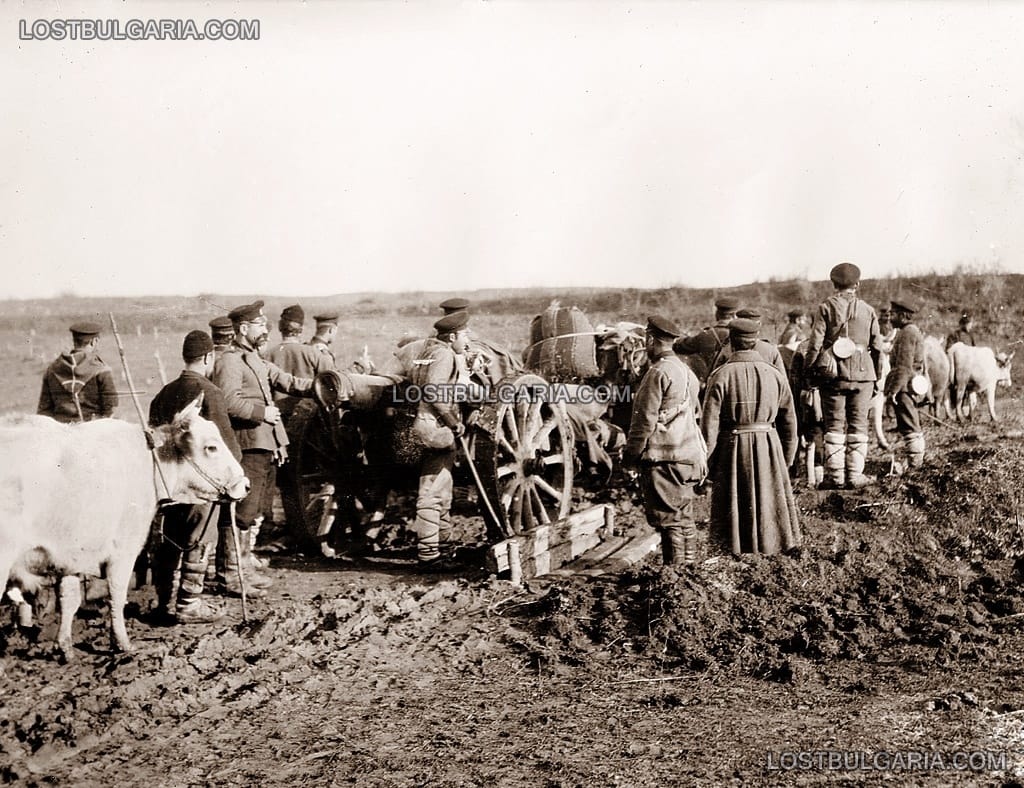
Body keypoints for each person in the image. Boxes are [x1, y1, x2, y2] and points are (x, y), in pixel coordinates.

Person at [211, 301, 315, 596]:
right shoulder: (230, 361)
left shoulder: (253, 359)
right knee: (240, 511)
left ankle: (242, 569)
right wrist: (262, 413)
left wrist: (323, 384)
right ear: (243, 329)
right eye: (259, 325)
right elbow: (228, 401)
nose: (266, 329)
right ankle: (231, 576)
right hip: (248, 446)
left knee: (252, 509)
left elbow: (288, 381)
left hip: (264, 444)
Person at [148, 330, 242, 624]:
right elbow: (226, 444)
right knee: (199, 537)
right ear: (207, 357)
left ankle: (163, 602)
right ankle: (189, 603)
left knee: (169, 540)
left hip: (169, 484)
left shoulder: (163, 392)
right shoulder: (210, 392)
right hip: (202, 484)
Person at [701, 319, 801, 556]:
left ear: (731, 343)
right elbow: (790, 422)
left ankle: (736, 549)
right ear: (755, 341)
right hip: (769, 445)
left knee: (734, 502)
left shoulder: (721, 375)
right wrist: (786, 459)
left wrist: (708, 464)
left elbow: (709, 426)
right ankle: (772, 546)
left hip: (732, 448)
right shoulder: (775, 375)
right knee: (769, 499)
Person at [624, 316, 705, 566]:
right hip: (688, 457)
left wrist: (630, 457)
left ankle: (674, 576)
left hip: (664, 459)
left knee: (669, 521)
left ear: (650, 340)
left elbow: (644, 422)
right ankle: (689, 571)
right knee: (683, 517)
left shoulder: (657, 372)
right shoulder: (687, 372)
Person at [803, 263, 884, 489]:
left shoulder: (826, 308)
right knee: (859, 424)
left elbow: (815, 343)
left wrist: (810, 372)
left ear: (834, 284)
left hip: (834, 375)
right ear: (857, 285)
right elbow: (877, 347)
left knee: (834, 425)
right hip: (864, 375)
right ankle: (855, 476)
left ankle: (835, 477)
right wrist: (876, 377)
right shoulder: (868, 310)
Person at [408, 310, 473, 568]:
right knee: (432, 493)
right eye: (465, 334)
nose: (466, 339)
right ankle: (429, 556)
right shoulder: (445, 354)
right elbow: (434, 390)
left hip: (424, 426)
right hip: (435, 429)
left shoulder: (427, 351)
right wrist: (453, 420)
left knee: (441, 489)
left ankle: (443, 547)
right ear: (453, 336)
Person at [38, 322, 119, 423]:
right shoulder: (101, 370)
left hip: (60, 430)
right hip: (92, 430)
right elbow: (111, 408)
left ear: (74, 341)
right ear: (94, 341)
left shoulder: (52, 369)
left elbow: (43, 411)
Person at [885, 299, 926, 470]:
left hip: (905, 386)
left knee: (910, 425)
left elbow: (904, 365)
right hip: (908, 384)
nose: (889, 317)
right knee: (909, 423)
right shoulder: (909, 331)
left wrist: (894, 390)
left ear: (903, 316)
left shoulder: (907, 333)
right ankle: (914, 462)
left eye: (893, 314)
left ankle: (915, 465)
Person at [673, 296, 739, 386]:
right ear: (734, 315)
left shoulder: (705, 335)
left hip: (710, 386)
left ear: (717, 314)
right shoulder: (740, 336)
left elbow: (681, 346)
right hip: (733, 385)